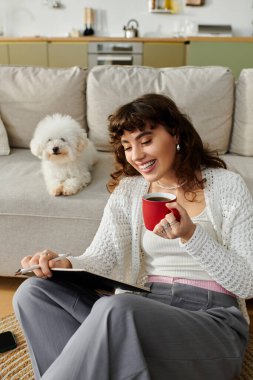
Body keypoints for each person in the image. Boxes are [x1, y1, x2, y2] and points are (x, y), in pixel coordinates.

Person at [13, 93, 253, 380]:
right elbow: (100, 258)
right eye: (127, 146)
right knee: (34, 293)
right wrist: (64, 263)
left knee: (117, 309)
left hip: (210, 321)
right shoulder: (129, 191)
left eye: (146, 140)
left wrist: (192, 235)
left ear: (175, 133)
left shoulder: (227, 186)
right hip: (144, 308)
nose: (136, 155)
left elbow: (247, 283)